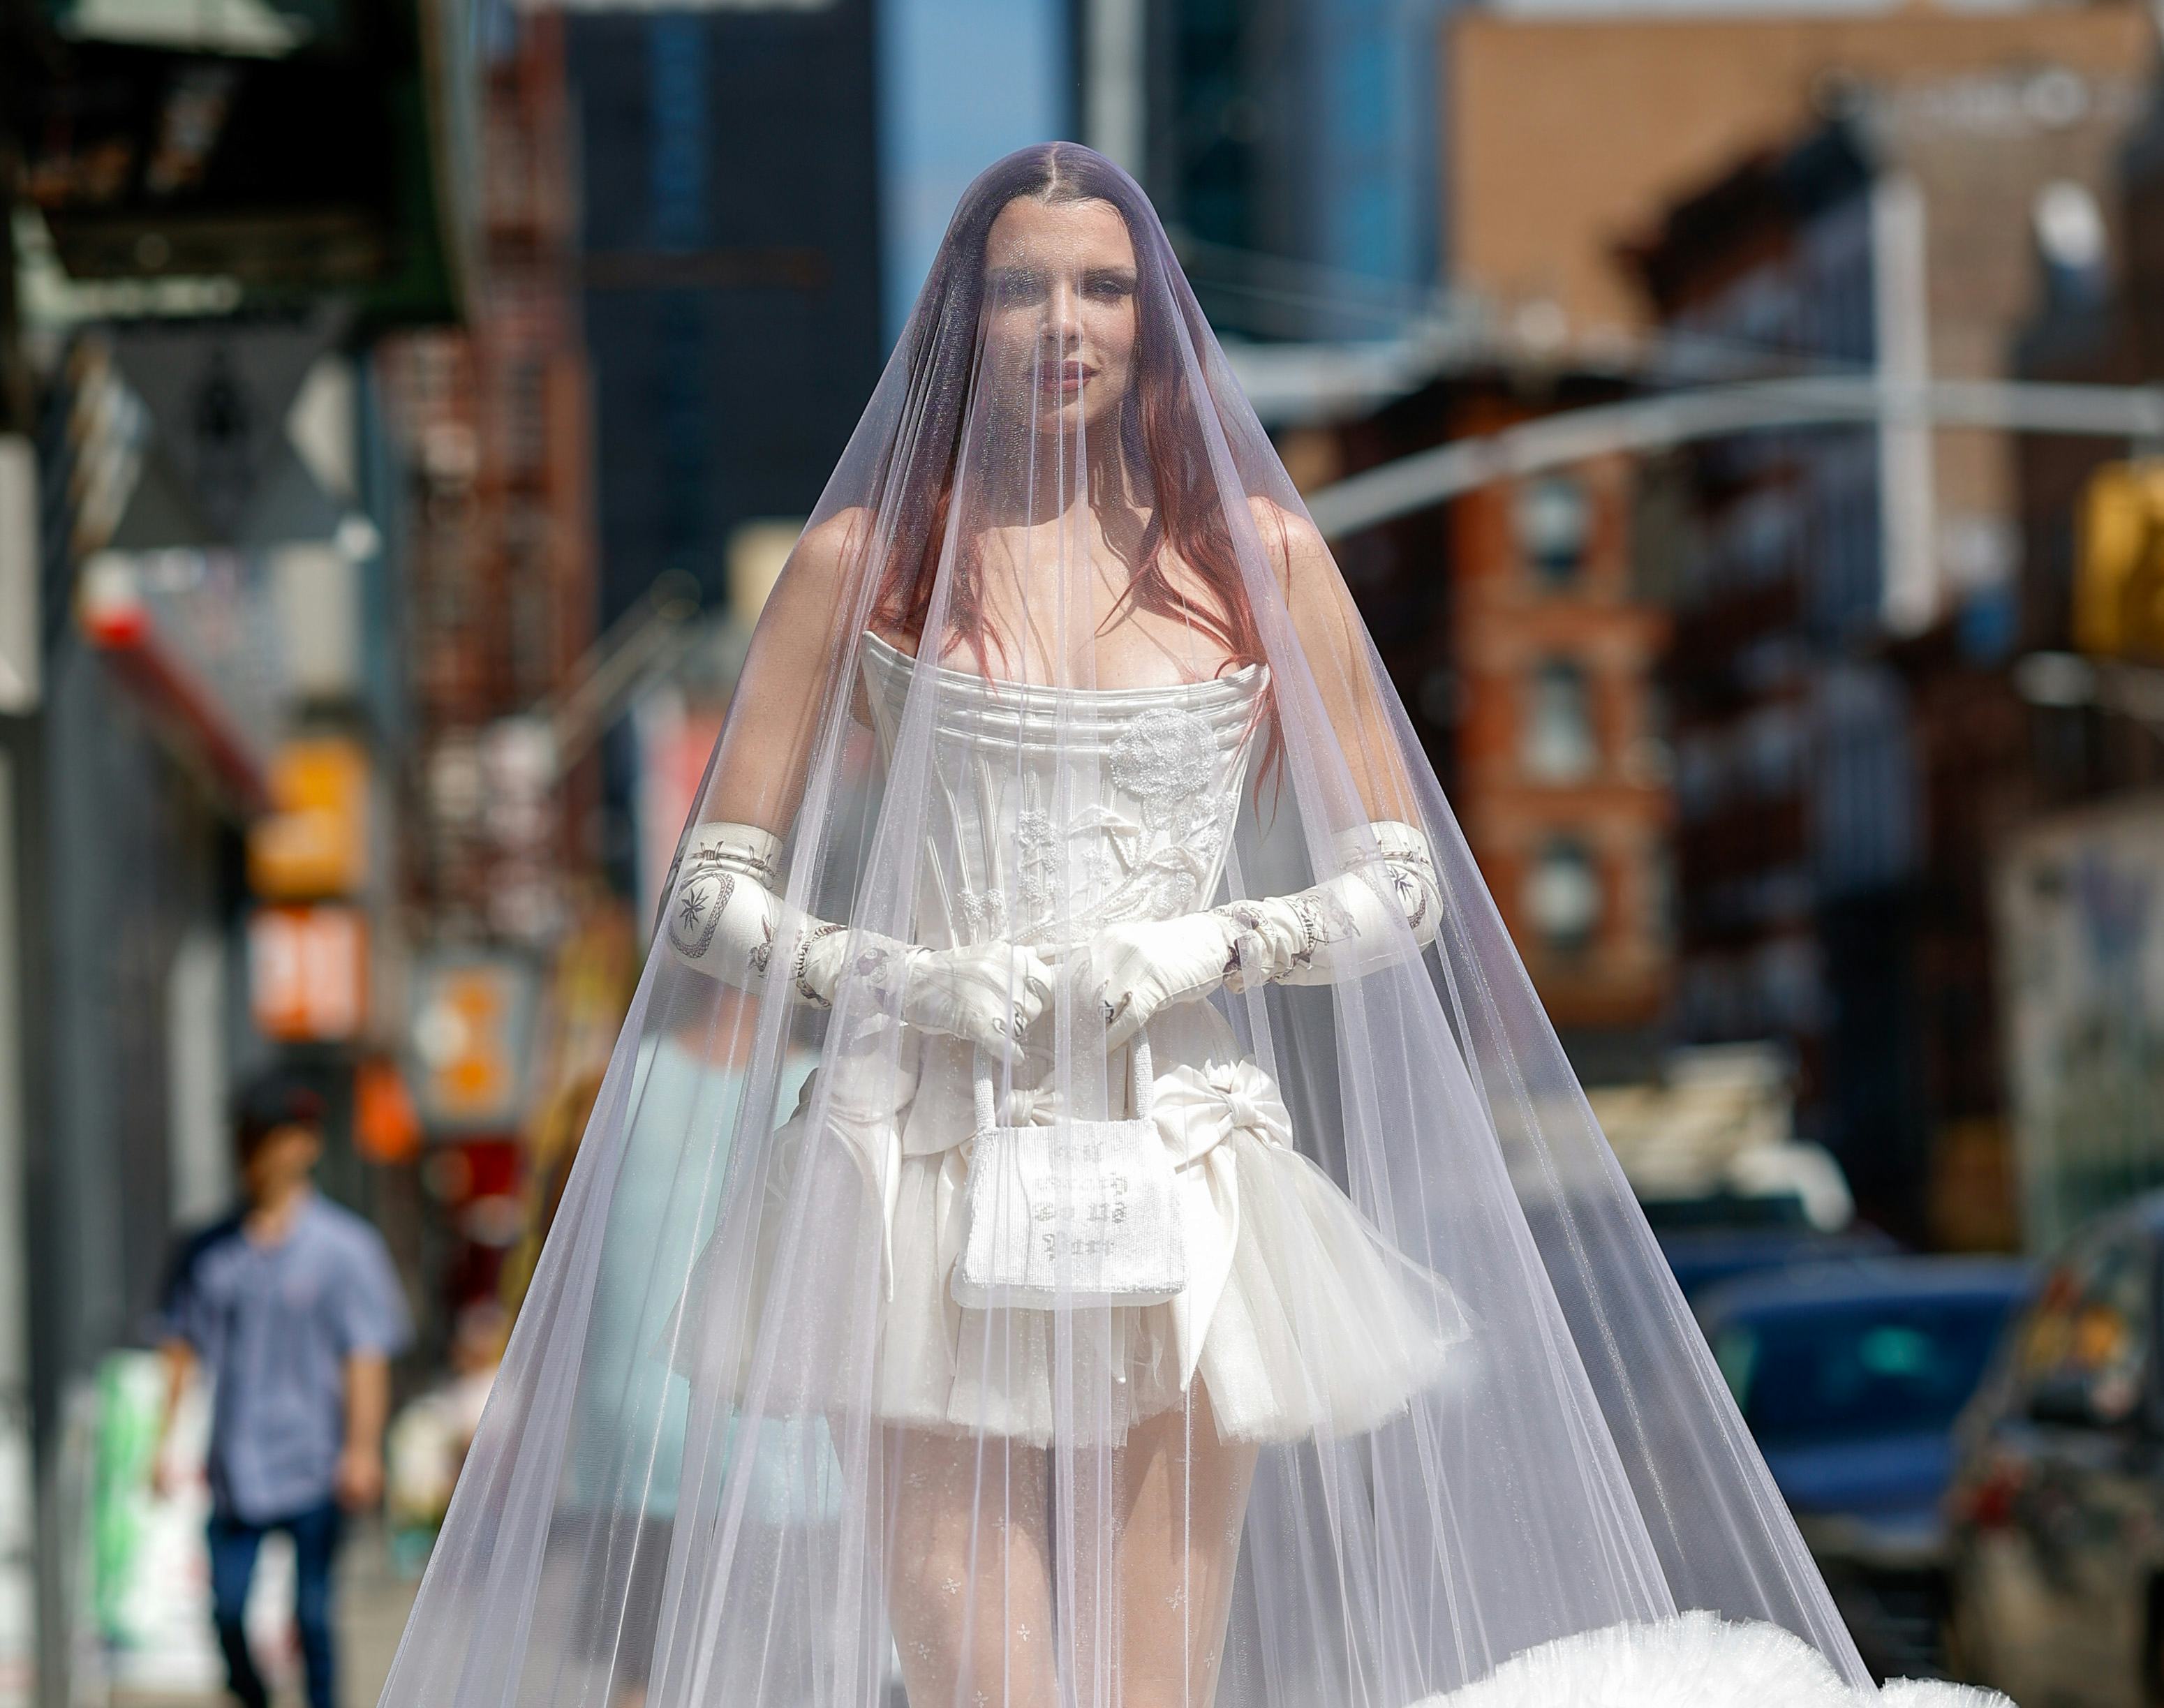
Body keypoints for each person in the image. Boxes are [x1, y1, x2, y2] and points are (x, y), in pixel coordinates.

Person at [380, 145, 2001, 1708]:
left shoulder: (1258, 564)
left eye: (1101, 286)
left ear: (1152, 316)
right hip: (911, 1164)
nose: (1064, 323)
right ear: (963, 317)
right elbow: (708, 888)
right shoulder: (860, 565)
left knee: (1158, 1680)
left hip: (1173, 1159)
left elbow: (1399, 879)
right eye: (1022, 290)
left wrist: (1207, 946)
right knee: (976, 1678)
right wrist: (896, 972)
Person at [153, 1077, 411, 1708]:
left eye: (273, 1138)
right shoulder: (207, 1251)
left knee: (315, 1613)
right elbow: (180, 1344)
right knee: (227, 1608)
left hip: (315, 1456)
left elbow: (366, 1354)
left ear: (305, 1145)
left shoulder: (345, 1248)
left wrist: (362, 1448)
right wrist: (162, 1442)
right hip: (236, 1460)